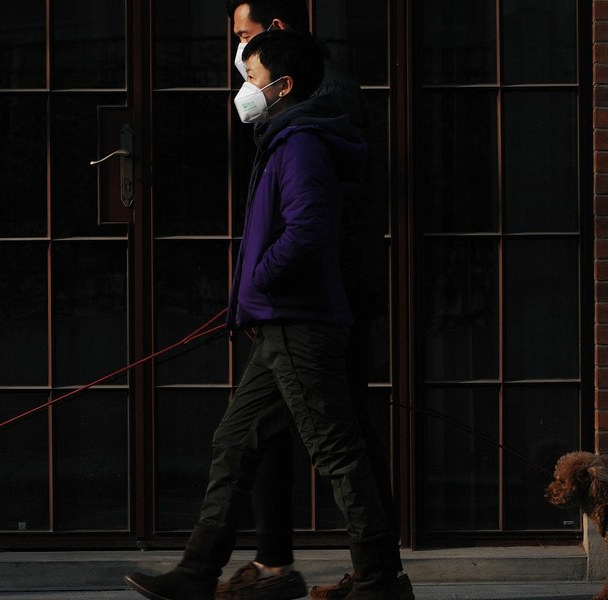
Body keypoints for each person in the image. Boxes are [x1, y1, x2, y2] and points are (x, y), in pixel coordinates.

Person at [123, 29, 402, 600]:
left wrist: (256, 282)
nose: (244, 90)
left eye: (250, 78)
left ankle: (379, 579)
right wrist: (251, 294)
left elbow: (306, 232)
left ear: (283, 86)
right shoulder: (285, 138)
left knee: (335, 451)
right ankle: (198, 573)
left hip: (299, 322)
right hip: (282, 321)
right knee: (235, 440)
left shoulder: (299, 143)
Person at [221, 4, 408, 600]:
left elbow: (312, 224)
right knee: (268, 434)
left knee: (338, 439)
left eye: (247, 40)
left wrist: (264, 284)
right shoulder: (298, 113)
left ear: (278, 37)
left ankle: (369, 570)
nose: (241, 58)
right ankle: (309, 565)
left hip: (318, 303)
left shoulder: (314, 112)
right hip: (307, 301)